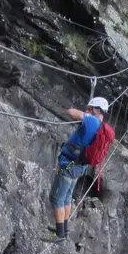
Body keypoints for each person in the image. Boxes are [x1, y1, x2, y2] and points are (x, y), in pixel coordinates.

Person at [48, 96, 108, 242]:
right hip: (79, 166)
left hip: (70, 165)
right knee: (67, 197)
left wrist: (85, 114)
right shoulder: (100, 125)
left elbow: (71, 112)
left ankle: (60, 234)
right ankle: (64, 228)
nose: (87, 111)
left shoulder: (92, 121)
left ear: (96, 110)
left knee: (56, 198)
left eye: (90, 109)